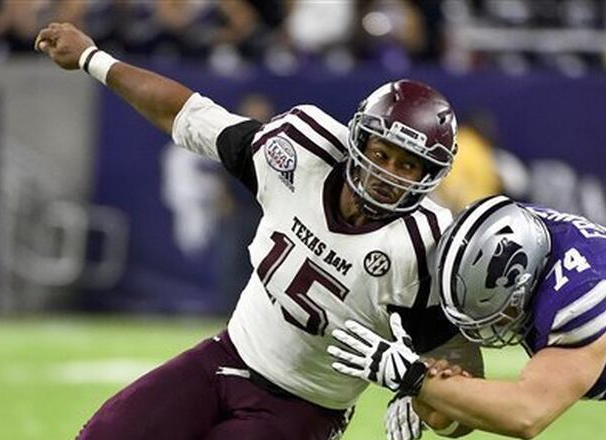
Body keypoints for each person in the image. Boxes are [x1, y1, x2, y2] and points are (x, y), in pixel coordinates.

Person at [34, 22, 483, 440]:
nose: (388, 173)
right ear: (359, 141)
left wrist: (425, 390)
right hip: (225, 357)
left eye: (407, 166)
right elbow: (187, 115)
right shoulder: (299, 151)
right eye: (382, 154)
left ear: (429, 176)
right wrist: (93, 58)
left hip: (306, 407)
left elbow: (462, 378)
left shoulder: (424, 246)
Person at [329, 194, 606, 439]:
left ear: (523, 281)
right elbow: (460, 415)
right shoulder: (521, 233)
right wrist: (427, 391)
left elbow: (526, 413)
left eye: (495, 311)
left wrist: (413, 378)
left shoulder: (586, 292)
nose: (487, 327)